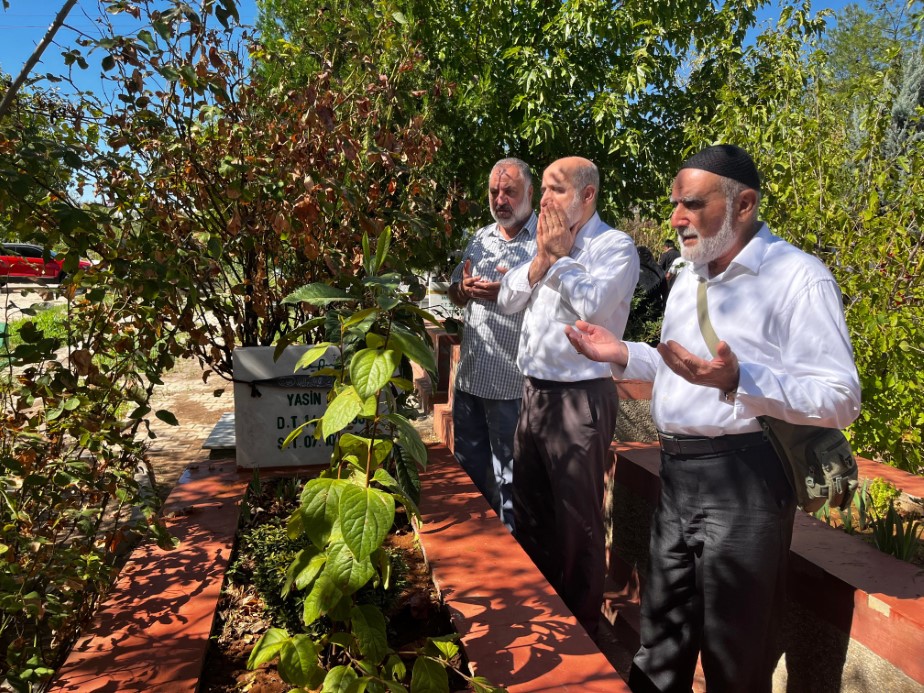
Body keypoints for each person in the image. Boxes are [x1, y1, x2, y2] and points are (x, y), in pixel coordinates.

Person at [565, 144, 861, 692]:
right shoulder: (689, 277)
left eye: (692, 204)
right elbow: (684, 368)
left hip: (746, 481)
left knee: (736, 655)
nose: (675, 217)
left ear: (743, 204)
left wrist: (739, 380)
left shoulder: (797, 277)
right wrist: (623, 352)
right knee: (661, 644)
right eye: (675, 202)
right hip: (676, 476)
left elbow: (840, 396)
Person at [497, 156, 639, 637]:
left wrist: (559, 259)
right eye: (547, 190)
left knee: (577, 524)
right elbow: (507, 298)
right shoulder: (544, 242)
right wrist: (540, 260)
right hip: (533, 395)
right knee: (530, 511)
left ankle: (581, 632)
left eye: (557, 190)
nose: (546, 201)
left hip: (580, 401)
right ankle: (538, 619)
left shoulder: (614, 247)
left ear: (587, 196)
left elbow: (594, 305)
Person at [447, 158, 538, 532]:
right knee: (467, 474)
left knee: (509, 482)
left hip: (510, 386)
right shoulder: (480, 238)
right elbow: (454, 292)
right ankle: (473, 551)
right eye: (494, 191)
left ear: (530, 194)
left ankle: (512, 562)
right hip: (469, 380)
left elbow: (557, 305)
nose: (500, 199)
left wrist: (509, 292)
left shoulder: (544, 243)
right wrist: (462, 290)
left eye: (510, 191)